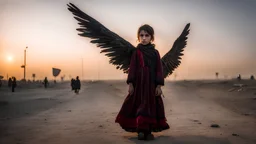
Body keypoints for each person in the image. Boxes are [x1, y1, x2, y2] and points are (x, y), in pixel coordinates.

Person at [115, 24, 170, 140]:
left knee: (151, 106)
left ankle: (148, 131)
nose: (144, 38)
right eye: (141, 35)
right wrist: (130, 84)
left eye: (147, 35)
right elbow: (133, 69)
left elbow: (159, 70)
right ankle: (140, 130)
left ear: (152, 37)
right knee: (138, 105)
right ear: (138, 37)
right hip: (139, 85)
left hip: (151, 86)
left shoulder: (155, 53)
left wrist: (159, 86)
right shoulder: (136, 52)